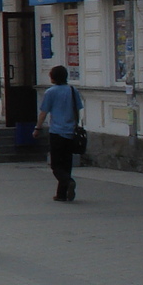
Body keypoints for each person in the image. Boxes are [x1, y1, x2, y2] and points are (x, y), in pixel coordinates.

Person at [36, 64, 83, 202]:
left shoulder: (50, 92)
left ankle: (68, 182)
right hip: (70, 131)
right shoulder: (73, 90)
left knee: (56, 164)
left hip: (57, 131)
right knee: (66, 163)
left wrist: (38, 128)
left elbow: (44, 112)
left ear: (53, 78)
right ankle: (62, 194)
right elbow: (77, 110)